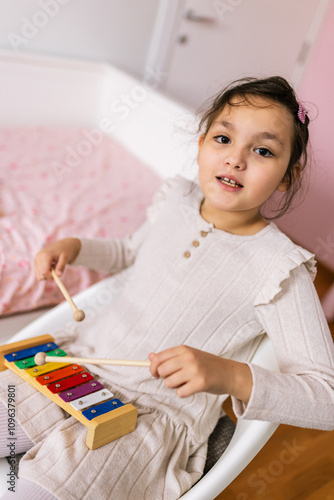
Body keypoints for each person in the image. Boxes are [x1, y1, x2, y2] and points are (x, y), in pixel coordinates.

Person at [1, 76, 334, 500]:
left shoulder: (280, 269)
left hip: (145, 420)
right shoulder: (176, 201)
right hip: (72, 366)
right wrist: (76, 247)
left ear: (288, 176)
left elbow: (327, 397)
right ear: (200, 145)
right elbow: (129, 252)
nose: (236, 159)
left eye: (263, 150)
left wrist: (228, 374)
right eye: (223, 138)